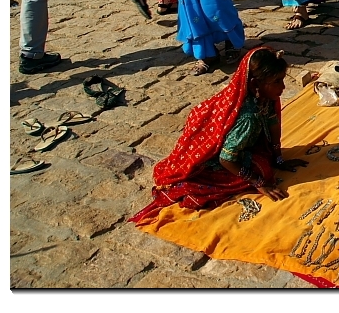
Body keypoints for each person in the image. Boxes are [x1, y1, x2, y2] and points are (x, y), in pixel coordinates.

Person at [129, 47, 309, 224]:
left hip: (238, 146)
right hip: (217, 159)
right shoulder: (248, 118)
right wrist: (258, 182)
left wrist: (279, 159)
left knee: (266, 162)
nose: (283, 87)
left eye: (282, 79)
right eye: (277, 81)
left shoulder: (266, 99)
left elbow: (273, 129)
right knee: (263, 170)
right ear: (255, 84)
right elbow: (226, 158)